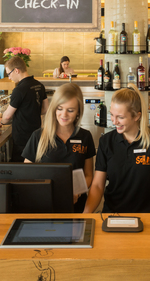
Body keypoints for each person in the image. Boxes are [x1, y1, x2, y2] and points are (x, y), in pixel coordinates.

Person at [22, 83, 95, 212]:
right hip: (44, 207)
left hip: (76, 207)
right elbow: (26, 174)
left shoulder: (85, 136)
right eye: (60, 108)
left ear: (78, 112)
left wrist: (77, 191)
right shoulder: (38, 136)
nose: (64, 114)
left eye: (70, 110)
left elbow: (88, 175)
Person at [2, 56, 49, 162]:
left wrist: (1, 121)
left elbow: (7, 116)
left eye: (9, 74)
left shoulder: (19, 90)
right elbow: (46, 109)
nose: (9, 78)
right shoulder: (39, 85)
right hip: (36, 134)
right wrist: (32, 112)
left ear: (16, 70)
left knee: (21, 167)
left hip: (22, 138)